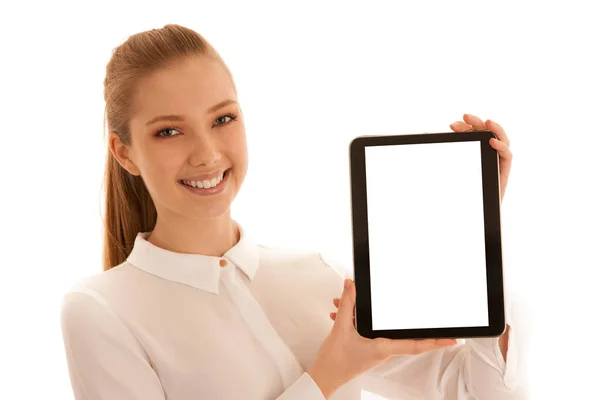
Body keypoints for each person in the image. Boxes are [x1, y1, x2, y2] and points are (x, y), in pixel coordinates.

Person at [59, 24, 526, 399]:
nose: (206, 153)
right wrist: (328, 376)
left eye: (223, 119)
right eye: (168, 131)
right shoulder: (101, 311)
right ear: (125, 153)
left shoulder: (321, 277)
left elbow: (473, 391)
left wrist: (473, 228)